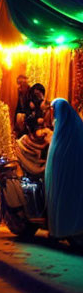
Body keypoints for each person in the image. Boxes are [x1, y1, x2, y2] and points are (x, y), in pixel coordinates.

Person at [45, 98, 83, 240]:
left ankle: (63, 229)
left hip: (64, 176)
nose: (53, 113)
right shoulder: (75, 125)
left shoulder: (63, 128)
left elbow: (57, 153)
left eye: (54, 110)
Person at [14, 83, 52, 176]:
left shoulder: (46, 107)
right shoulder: (29, 105)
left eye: (39, 94)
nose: (38, 97)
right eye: (36, 95)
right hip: (32, 134)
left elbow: (48, 122)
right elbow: (27, 120)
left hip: (41, 135)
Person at [14, 74, 33, 138]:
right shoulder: (21, 92)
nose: (18, 87)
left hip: (29, 118)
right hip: (23, 117)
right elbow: (18, 107)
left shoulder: (31, 93)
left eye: (20, 84)